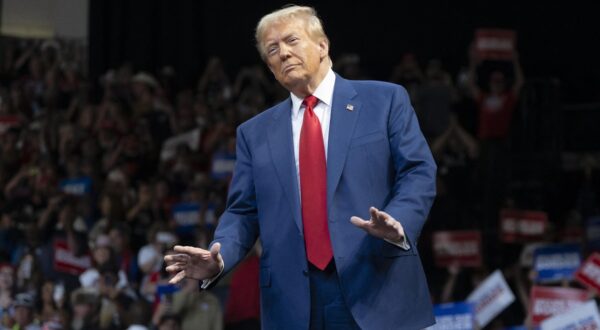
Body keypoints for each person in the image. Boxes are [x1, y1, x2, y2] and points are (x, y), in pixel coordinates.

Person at [164, 5, 436, 329]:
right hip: (293, 302)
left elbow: (418, 171)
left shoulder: (385, 101)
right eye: (272, 50)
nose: (283, 53)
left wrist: (400, 221)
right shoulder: (254, 133)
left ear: (322, 45)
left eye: (292, 40)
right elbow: (242, 212)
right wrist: (218, 259)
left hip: (378, 284)